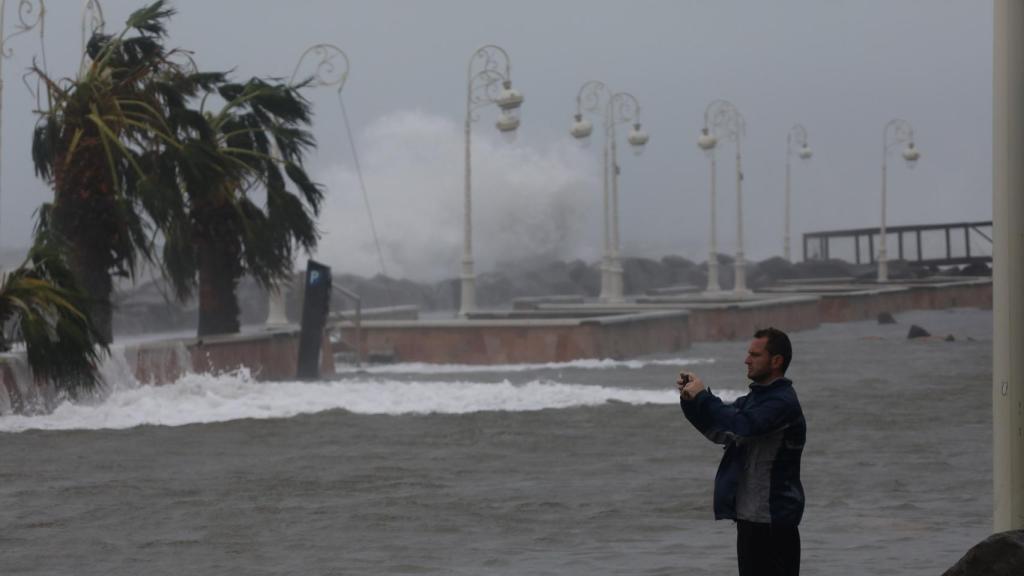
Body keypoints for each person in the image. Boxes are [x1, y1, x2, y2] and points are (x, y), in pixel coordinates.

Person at [677, 327, 806, 576]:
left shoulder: (782, 402)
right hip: (750, 519)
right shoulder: (755, 400)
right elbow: (721, 431)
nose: (746, 360)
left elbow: (743, 425)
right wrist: (690, 401)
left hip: (775, 521)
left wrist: (703, 396)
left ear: (776, 361)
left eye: (755, 355)